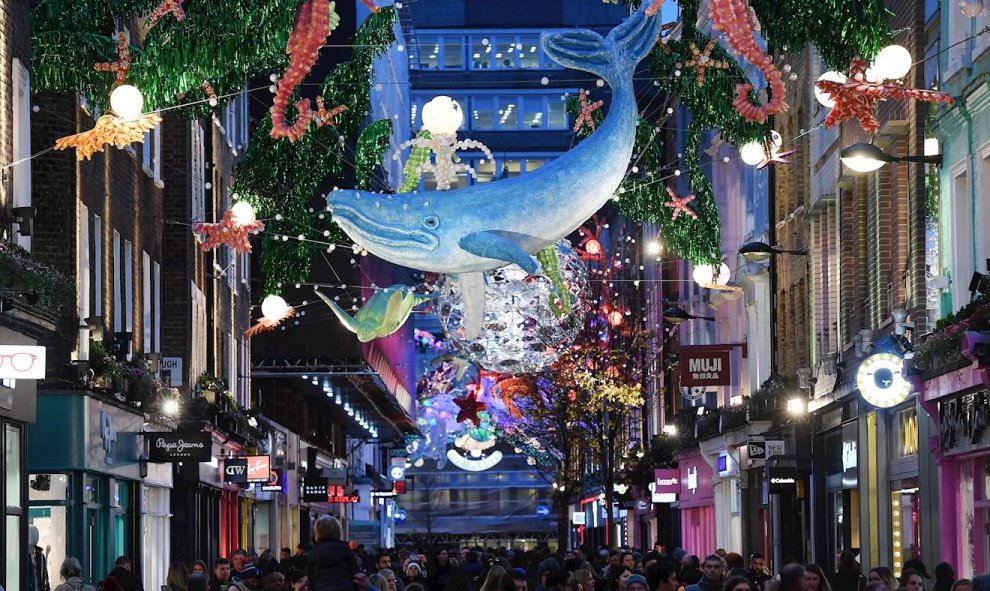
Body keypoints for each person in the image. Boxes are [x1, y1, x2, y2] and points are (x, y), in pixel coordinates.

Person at [307, 515, 359, 591]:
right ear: (338, 531)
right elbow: (355, 573)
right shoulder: (345, 549)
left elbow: (311, 579)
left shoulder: (314, 552)